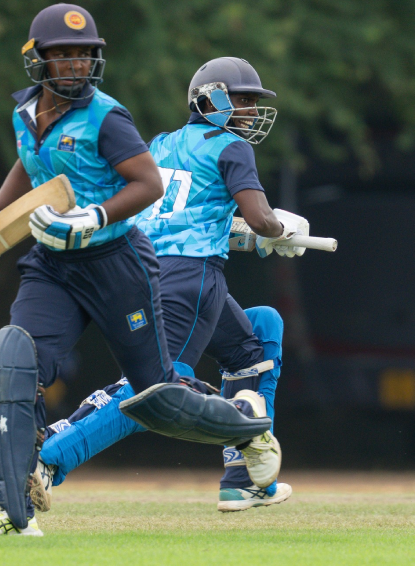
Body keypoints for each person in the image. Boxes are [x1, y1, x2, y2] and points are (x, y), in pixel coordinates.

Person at [0, 7, 275, 537]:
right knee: (19, 365)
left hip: (118, 262)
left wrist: (95, 216)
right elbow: (31, 162)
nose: (76, 64)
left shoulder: (113, 119)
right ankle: (12, 507)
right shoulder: (26, 113)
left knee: (160, 394)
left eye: (84, 54)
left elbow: (151, 187)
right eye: (64, 54)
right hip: (58, 264)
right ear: (37, 59)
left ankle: (247, 431)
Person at [31, 57, 311, 512]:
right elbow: (261, 218)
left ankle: (245, 479)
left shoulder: (160, 144)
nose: (249, 111)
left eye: (252, 102)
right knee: (155, 390)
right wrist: (280, 229)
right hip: (192, 277)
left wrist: (241, 232)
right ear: (210, 99)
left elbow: (180, 213)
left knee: (258, 336)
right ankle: (49, 456)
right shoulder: (232, 147)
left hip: (145, 269)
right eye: (241, 100)